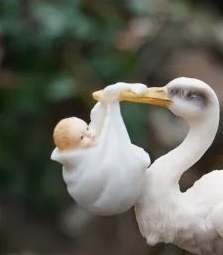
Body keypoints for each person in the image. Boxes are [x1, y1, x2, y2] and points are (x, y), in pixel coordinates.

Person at [51, 83, 151, 216]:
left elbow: (100, 125)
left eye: (87, 128)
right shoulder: (81, 168)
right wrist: (111, 106)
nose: (90, 134)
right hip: (115, 195)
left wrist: (106, 105)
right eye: (82, 137)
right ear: (72, 149)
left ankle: (113, 94)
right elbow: (106, 155)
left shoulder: (92, 145)